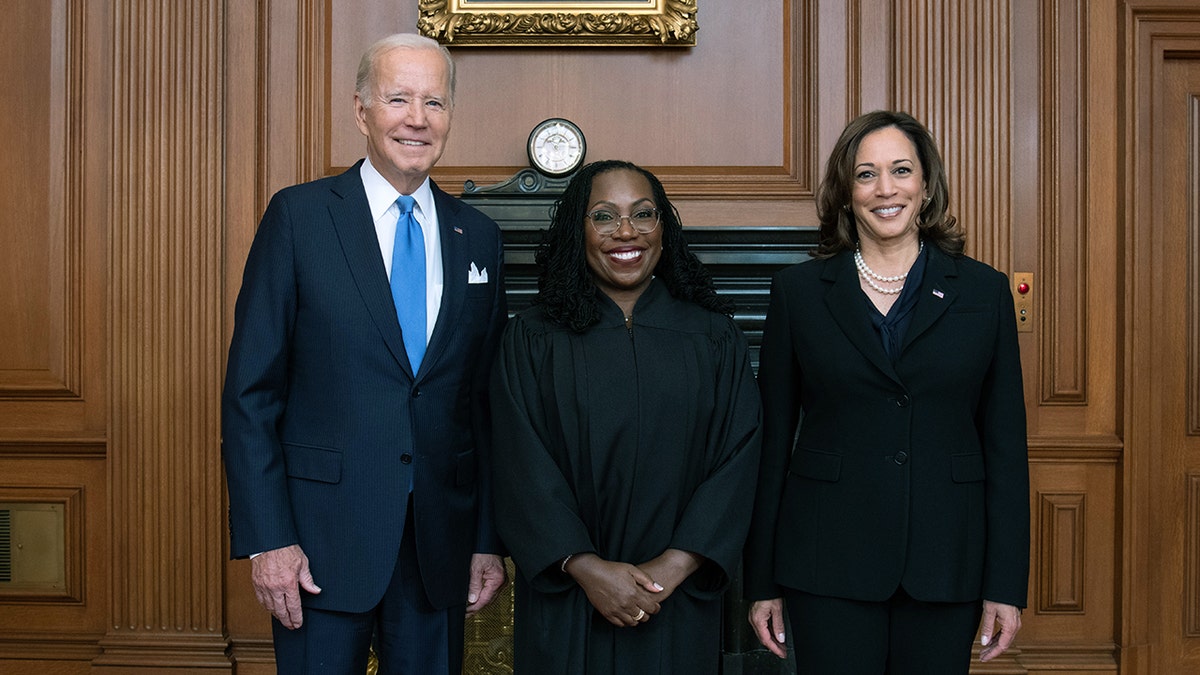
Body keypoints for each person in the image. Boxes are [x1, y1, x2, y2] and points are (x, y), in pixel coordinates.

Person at [221, 33, 508, 674]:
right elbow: (251, 394)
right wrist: (269, 539)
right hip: (320, 545)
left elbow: (485, 404)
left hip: (440, 547)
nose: (417, 118)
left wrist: (486, 541)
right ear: (361, 112)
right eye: (398, 98)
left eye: (434, 102)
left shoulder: (478, 238)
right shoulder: (298, 219)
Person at [743, 110, 1030, 673]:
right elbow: (771, 444)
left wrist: (1005, 585)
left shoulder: (983, 291)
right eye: (866, 174)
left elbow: (1005, 449)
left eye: (901, 170)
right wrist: (762, 582)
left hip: (946, 560)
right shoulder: (798, 293)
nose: (885, 189)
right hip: (826, 559)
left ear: (926, 185)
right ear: (846, 192)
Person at [490, 160, 762, 674]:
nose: (626, 232)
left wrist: (674, 566)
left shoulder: (713, 339)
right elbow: (518, 462)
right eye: (603, 216)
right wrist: (585, 567)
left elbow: (738, 458)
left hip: (677, 598)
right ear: (578, 230)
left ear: (664, 228)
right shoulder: (532, 338)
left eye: (643, 214)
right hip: (569, 597)